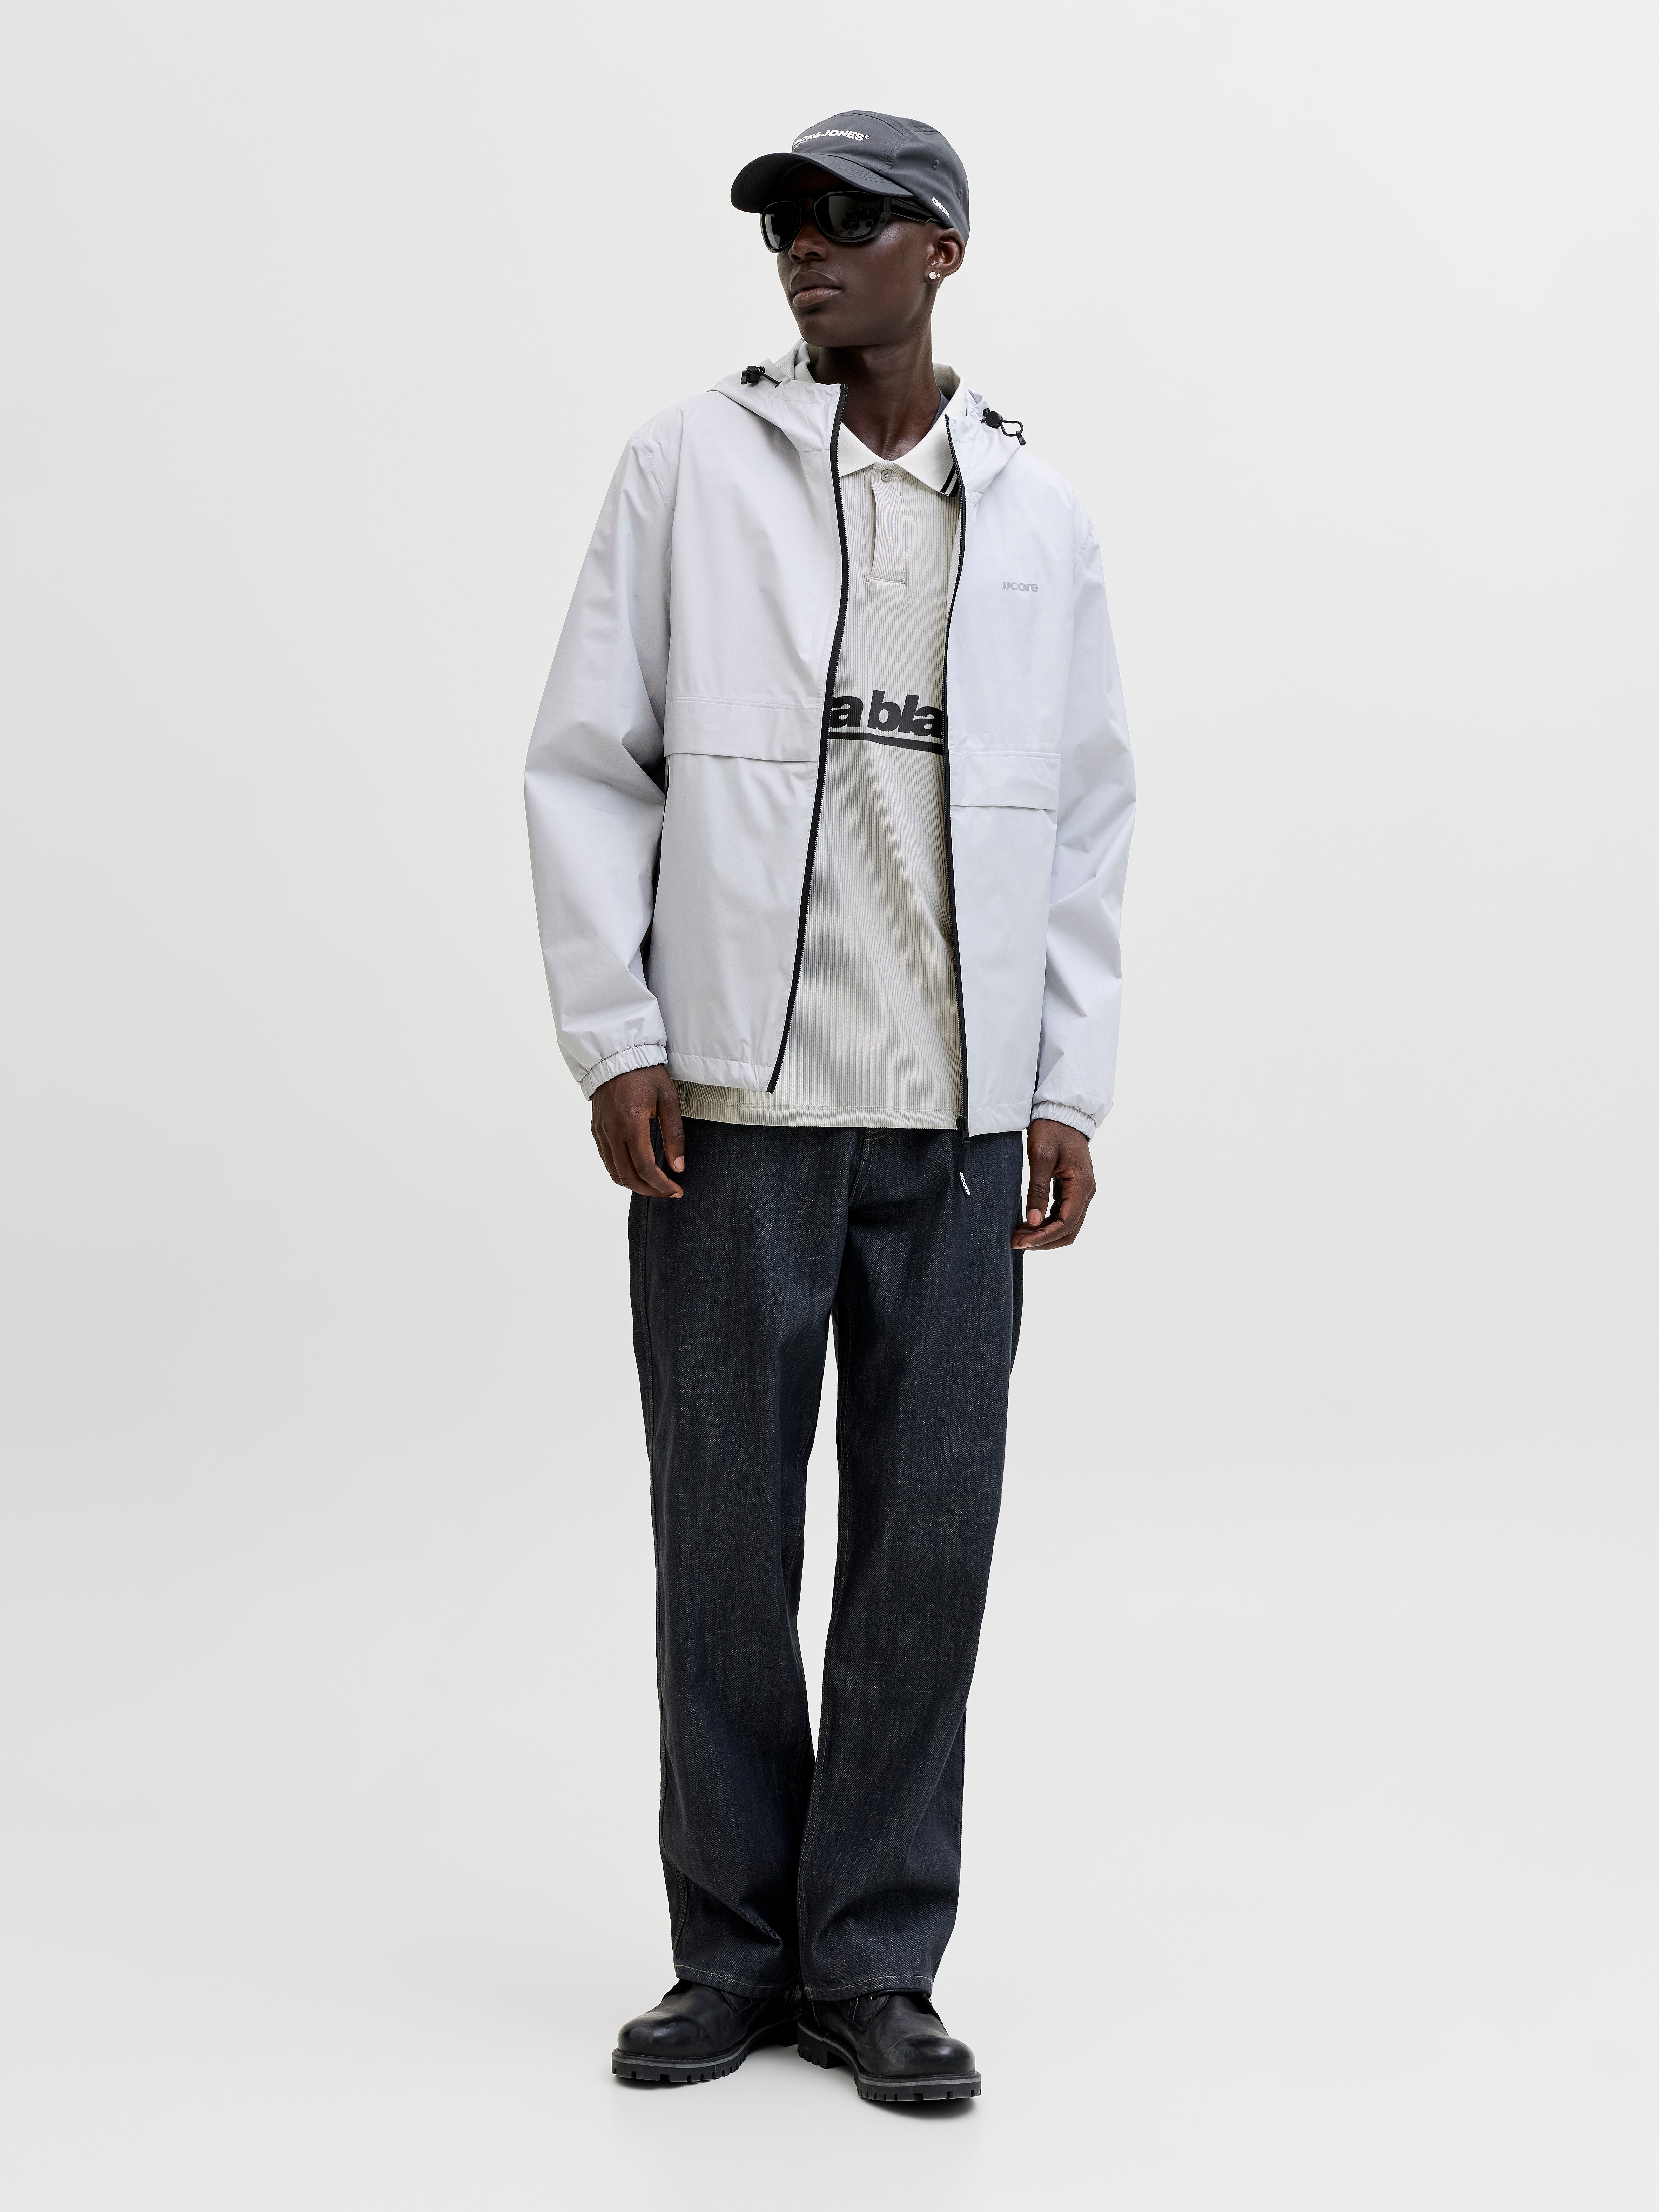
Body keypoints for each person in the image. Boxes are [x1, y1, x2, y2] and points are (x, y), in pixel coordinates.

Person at [525, 109, 1135, 2105]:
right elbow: (588, 759)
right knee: (721, 1544)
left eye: (852, 221)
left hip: (954, 1130)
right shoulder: (689, 469)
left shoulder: (1036, 513)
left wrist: (1062, 1080)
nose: (807, 248)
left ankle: (872, 1964)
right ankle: (731, 1953)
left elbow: (1087, 813)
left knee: (921, 1552)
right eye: (787, 223)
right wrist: (617, 1033)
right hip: (734, 1115)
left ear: (941, 250)